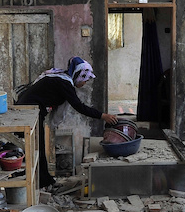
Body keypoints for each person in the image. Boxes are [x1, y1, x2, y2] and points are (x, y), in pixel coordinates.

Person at [16, 56, 117, 189]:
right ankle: (43, 181)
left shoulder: (60, 78)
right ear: (78, 76)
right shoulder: (64, 83)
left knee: (38, 147)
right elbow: (79, 106)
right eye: (84, 80)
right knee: (38, 147)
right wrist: (103, 116)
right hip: (28, 112)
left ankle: (44, 179)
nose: (84, 84)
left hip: (30, 110)